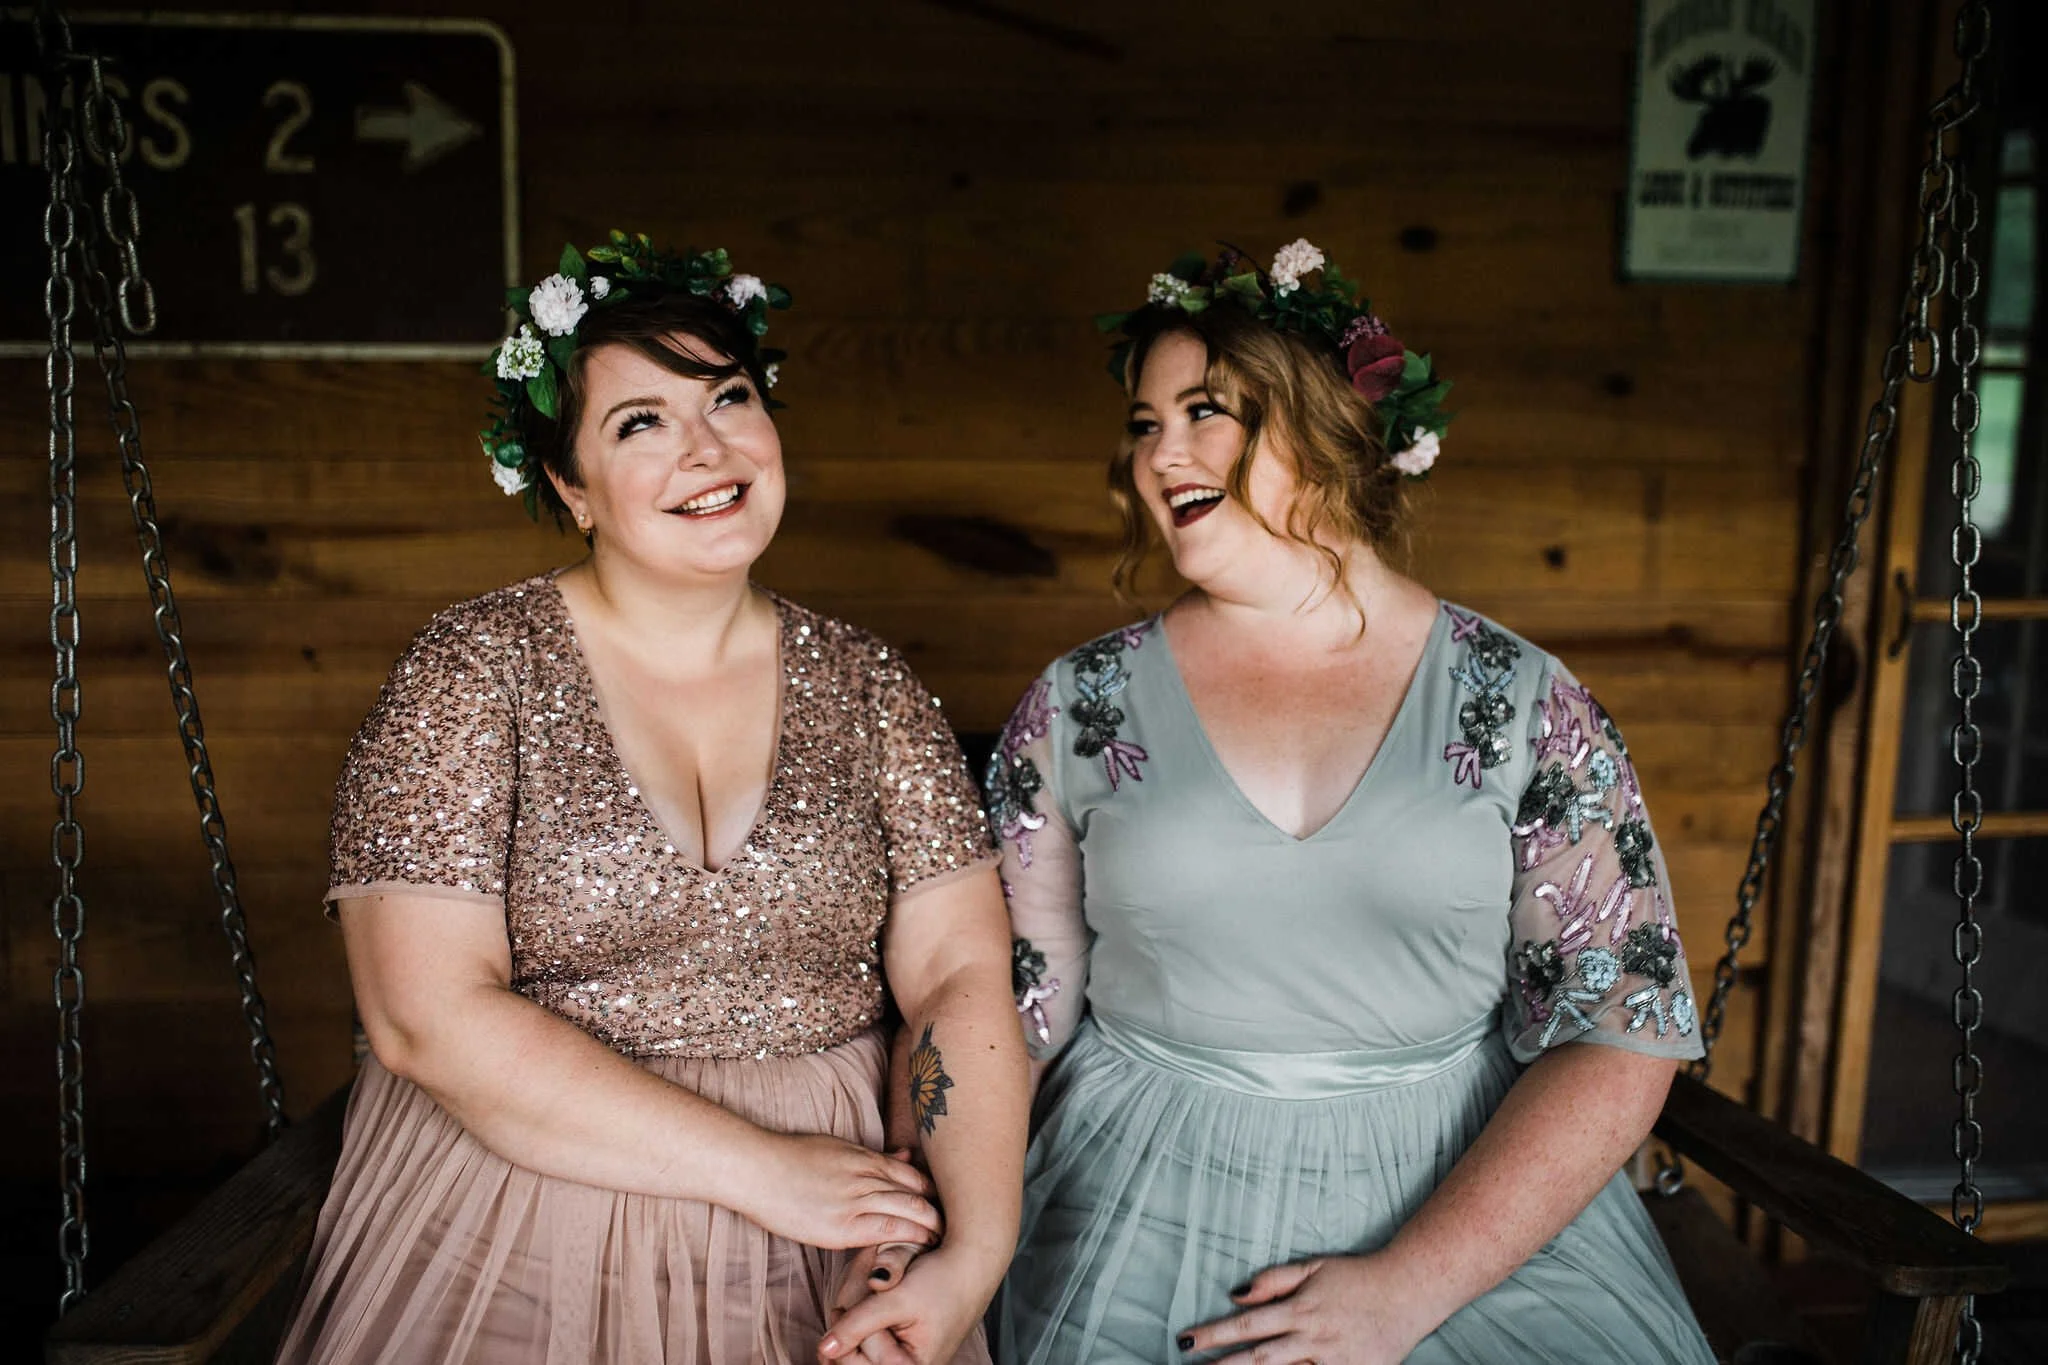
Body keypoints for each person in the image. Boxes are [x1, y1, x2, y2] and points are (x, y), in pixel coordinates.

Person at [276, 232, 1026, 1365]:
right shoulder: (472, 674)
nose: (706, 449)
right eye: (641, 423)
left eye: (726, 398)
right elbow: (423, 1016)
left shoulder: (870, 687)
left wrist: (968, 1248)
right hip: (525, 1215)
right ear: (568, 487)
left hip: (837, 1234)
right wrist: (762, 1173)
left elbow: (958, 977)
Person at [989, 241, 1716, 1364]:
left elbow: (1618, 1027)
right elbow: (1007, 1015)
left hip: (1453, 1200)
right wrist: (926, 1215)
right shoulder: (1079, 704)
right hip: (1139, 1187)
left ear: (1324, 429)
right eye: (1142, 423)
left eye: (1203, 411)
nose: (1157, 454)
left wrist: (1402, 1290)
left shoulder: (1520, 699)